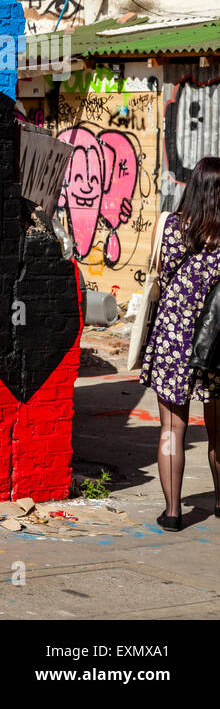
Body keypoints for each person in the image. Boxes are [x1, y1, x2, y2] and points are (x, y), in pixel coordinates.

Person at [140, 156, 220, 531]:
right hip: (215, 341)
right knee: (218, 428)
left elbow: (162, 272)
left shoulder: (170, 226)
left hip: (174, 335)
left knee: (172, 429)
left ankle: (173, 513)